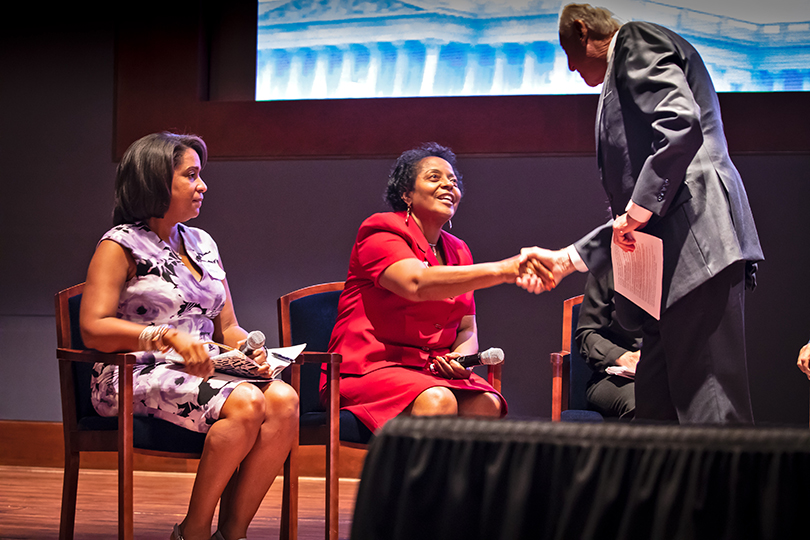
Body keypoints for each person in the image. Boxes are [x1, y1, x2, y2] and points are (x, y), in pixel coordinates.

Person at [517, 4, 763, 424]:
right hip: (671, 270)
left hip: (695, 250)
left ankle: (730, 493)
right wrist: (568, 259)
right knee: (655, 411)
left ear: (581, 29)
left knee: (711, 408)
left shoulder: (633, 39)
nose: (572, 69)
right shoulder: (622, 71)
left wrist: (637, 209)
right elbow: (635, 212)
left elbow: (679, 123)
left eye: (568, 53)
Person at [80, 132, 298, 540]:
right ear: (158, 180)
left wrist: (250, 350)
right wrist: (164, 337)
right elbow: (93, 327)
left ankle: (231, 534)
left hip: (202, 369)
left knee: (284, 399)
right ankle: (193, 532)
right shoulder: (119, 246)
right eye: (192, 175)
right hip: (132, 374)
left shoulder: (202, 243)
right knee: (248, 401)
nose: (203, 186)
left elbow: (226, 326)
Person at [324, 142, 528, 433]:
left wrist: (462, 357)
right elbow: (416, 284)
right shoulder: (380, 230)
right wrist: (505, 270)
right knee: (437, 400)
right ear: (406, 194)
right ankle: (416, 480)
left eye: (453, 182)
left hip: (429, 370)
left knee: (487, 404)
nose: (448, 185)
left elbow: (466, 328)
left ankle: (455, 480)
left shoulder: (459, 250)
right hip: (371, 368)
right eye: (434, 177)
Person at [575, 271, 641, 420]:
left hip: (671, 376)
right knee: (644, 401)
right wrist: (623, 357)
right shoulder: (607, 267)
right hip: (615, 377)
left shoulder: (684, 267)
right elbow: (586, 334)